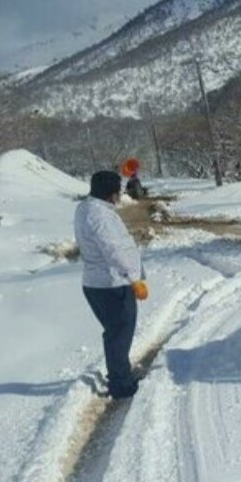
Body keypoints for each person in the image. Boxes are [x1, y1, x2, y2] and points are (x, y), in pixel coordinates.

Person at [74, 171, 148, 399]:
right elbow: (114, 250)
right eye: (118, 190)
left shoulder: (87, 208)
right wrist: (135, 280)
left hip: (96, 283)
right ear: (110, 193)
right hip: (112, 283)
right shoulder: (100, 216)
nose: (120, 194)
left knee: (115, 332)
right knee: (120, 333)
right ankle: (121, 385)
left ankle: (120, 373)